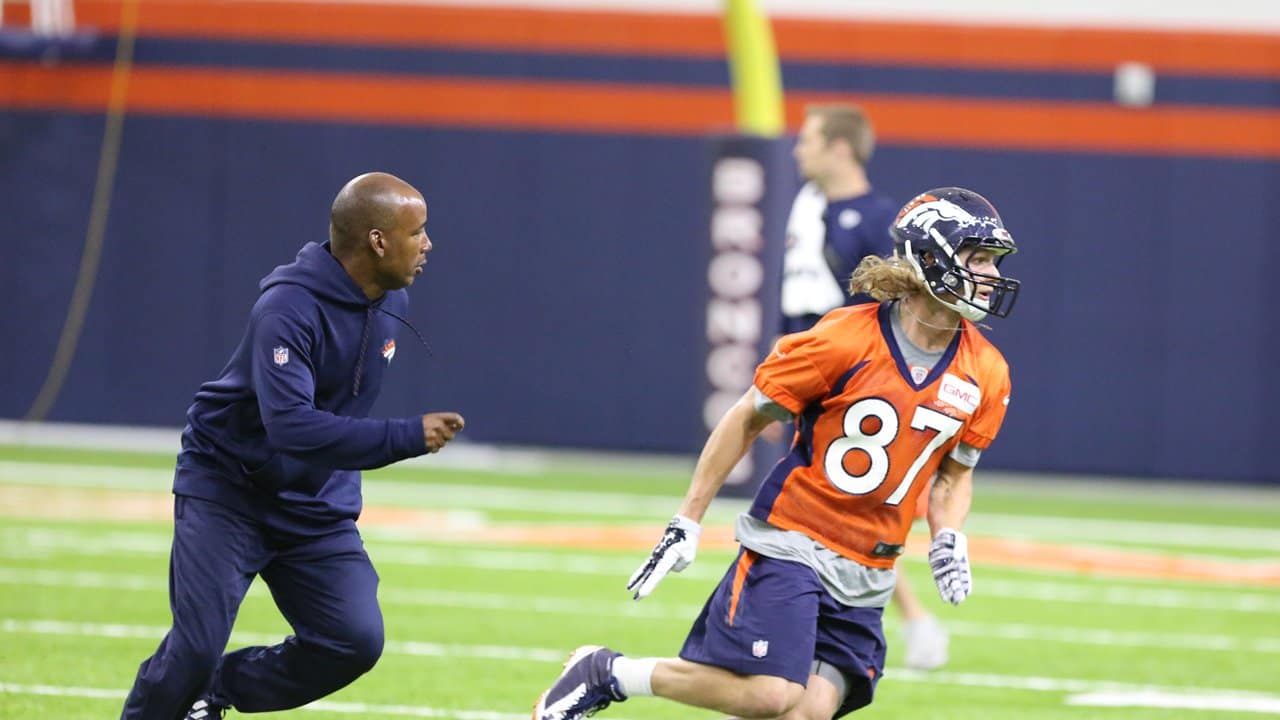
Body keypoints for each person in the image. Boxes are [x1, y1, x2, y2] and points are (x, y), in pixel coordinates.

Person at [534, 187, 1019, 720]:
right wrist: (687, 519)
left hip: (871, 568)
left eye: (994, 263)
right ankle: (608, 672)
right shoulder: (844, 338)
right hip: (796, 540)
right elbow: (748, 415)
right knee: (771, 693)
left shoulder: (986, 370)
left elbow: (953, 477)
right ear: (929, 258)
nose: (991, 276)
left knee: (804, 713)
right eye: (978, 260)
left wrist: (949, 536)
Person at [120, 172, 466, 720]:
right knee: (194, 647)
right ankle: (177, 691)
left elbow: (332, 419)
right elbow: (292, 428)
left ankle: (215, 691)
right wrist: (406, 435)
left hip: (311, 503)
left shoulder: (388, 303)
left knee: (352, 640)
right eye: (417, 231)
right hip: (230, 489)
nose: (429, 244)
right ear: (378, 241)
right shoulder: (287, 309)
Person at [780, 102, 947, 670]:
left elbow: (901, 311)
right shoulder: (805, 207)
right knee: (819, 513)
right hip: (810, 371)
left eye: (809, 139)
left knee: (859, 506)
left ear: (840, 148)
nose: (798, 149)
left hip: (856, 386)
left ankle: (905, 619)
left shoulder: (879, 219)